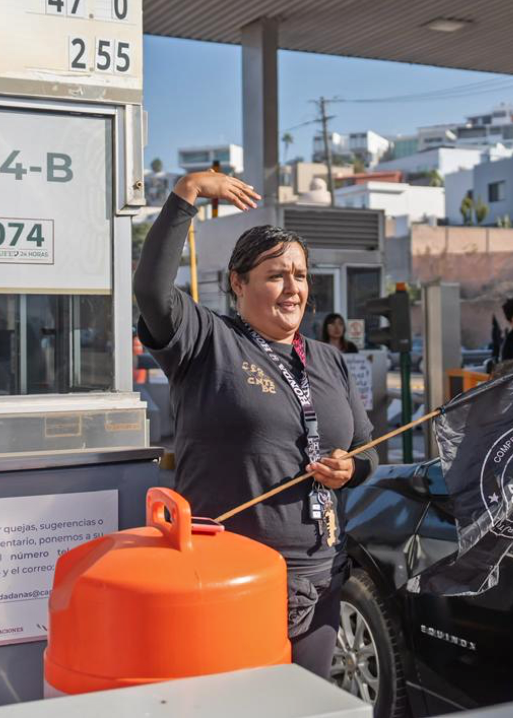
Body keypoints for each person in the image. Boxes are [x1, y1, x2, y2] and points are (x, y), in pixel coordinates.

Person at [134, 170, 376, 678]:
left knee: (305, 707)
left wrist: (348, 468)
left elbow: (366, 450)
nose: (293, 288)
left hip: (319, 574)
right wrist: (186, 195)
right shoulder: (206, 341)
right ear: (238, 283)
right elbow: (152, 291)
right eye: (275, 275)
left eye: (301, 275)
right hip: (230, 575)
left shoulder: (329, 361)